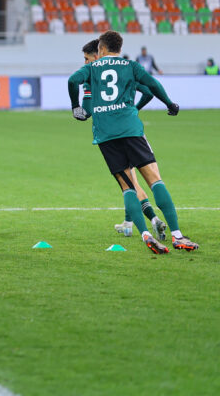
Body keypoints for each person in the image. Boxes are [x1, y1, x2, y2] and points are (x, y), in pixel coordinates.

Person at [68, 30, 198, 254]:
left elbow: (72, 80)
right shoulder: (130, 66)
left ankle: (146, 234)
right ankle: (177, 236)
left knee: (128, 186)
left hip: (106, 135)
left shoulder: (91, 69)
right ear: (119, 48)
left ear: (101, 49)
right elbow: (152, 85)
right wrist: (169, 103)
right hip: (130, 129)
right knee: (154, 180)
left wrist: (75, 106)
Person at [79, 39, 167, 239]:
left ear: (98, 55)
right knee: (134, 181)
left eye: (86, 58)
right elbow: (148, 91)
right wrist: (132, 110)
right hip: (131, 130)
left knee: (129, 183)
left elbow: (87, 110)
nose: (85, 63)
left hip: (114, 135)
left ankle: (152, 220)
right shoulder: (122, 71)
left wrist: (85, 113)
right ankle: (129, 222)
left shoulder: (92, 76)